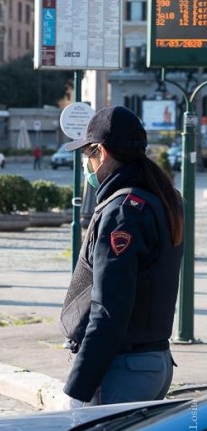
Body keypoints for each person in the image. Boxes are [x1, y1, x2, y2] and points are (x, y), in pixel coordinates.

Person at [59, 106, 183, 407]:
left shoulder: (123, 212)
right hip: (151, 361)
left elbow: (108, 308)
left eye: (87, 155)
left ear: (100, 152)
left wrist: (78, 389)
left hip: (121, 369)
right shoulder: (158, 198)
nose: (87, 165)